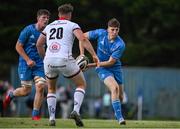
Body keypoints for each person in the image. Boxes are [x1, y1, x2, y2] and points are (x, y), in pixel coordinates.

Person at [36, 3, 99, 127]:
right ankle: (75, 110)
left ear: (59, 14)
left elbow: (39, 44)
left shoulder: (49, 26)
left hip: (49, 61)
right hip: (65, 60)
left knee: (51, 89)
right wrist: (94, 55)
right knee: (81, 84)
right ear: (70, 15)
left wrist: (45, 58)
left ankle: (52, 118)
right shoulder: (72, 25)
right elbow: (83, 39)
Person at [3, 9, 50, 120]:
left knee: (40, 87)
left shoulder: (48, 32)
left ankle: (35, 115)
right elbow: (18, 46)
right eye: (44, 17)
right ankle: (11, 95)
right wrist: (28, 60)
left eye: (48, 18)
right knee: (26, 91)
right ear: (38, 18)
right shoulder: (28, 30)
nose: (46, 20)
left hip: (39, 64)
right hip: (25, 63)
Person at [80, 18, 126, 125]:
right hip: (102, 68)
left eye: (116, 30)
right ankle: (120, 118)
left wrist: (89, 65)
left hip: (115, 67)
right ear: (107, 29)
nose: (114, 32)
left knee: (121, 97)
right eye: (112, 29)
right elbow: (82, 37)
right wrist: (82, 55)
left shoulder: (120, 44)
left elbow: (110, 62)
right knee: (114, 88)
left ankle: (117, 111)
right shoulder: (101, 33)